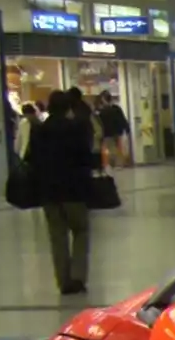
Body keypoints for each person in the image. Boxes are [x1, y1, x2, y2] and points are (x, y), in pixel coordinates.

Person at [26, 89, 95, 295]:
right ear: (68, 108)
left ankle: (63, 280)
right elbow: (86, 158)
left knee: (58, 236)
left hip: (50, 192)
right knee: (81, 231)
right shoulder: (77, 128)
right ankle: (78, 276)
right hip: (75, 190)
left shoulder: (39, 131)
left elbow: (31, 159)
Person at [96, 92, 130, 168]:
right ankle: (118, 164)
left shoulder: (102, 111)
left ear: (104, 100)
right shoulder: (117, 109)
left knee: (107, 149)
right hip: (118, 132)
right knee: (118, 148)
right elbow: (123, 119)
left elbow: (100, 123)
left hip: (107, 133)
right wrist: (127, 129)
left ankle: (108, 164)